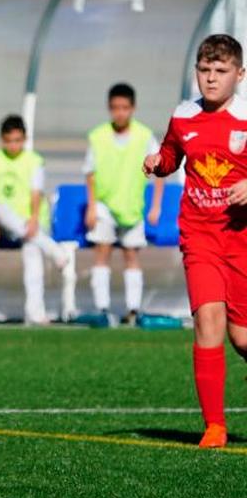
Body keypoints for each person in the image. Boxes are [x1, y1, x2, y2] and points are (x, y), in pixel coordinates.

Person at [144, 34, 247, 448]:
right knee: (208, 322)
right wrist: (158, 163)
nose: (211, 79)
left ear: (239, 75)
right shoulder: (183, 115)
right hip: (199, 235)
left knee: (242, 338)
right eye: (205, 70)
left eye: (220, 71)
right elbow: (171, 156)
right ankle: (215, 426)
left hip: (241, 238)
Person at [0, 115, 77, 324]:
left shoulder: (34, 161)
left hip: (29, 226)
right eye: (9, 140)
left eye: (17, 140)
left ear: (24, 138)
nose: (13, 145)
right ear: (2, 139)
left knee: (31, 250)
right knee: (1, 209)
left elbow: (36, 193)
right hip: (0, 224)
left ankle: (35, 313)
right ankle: (54, 250)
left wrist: (33, 219)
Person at [85, 82, 164, 325]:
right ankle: (102, 309)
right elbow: (90, 173)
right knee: (102, 252)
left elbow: (160, 169)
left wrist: (156, 206)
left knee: (131, 255)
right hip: (105, 205)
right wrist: (91, 206)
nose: (120, 112)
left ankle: (133, 309)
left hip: (132, 206)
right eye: (115, 107)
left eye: (124, 107)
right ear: (109, 108)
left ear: (133, 108)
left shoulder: (144, 135)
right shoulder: (97, 136)